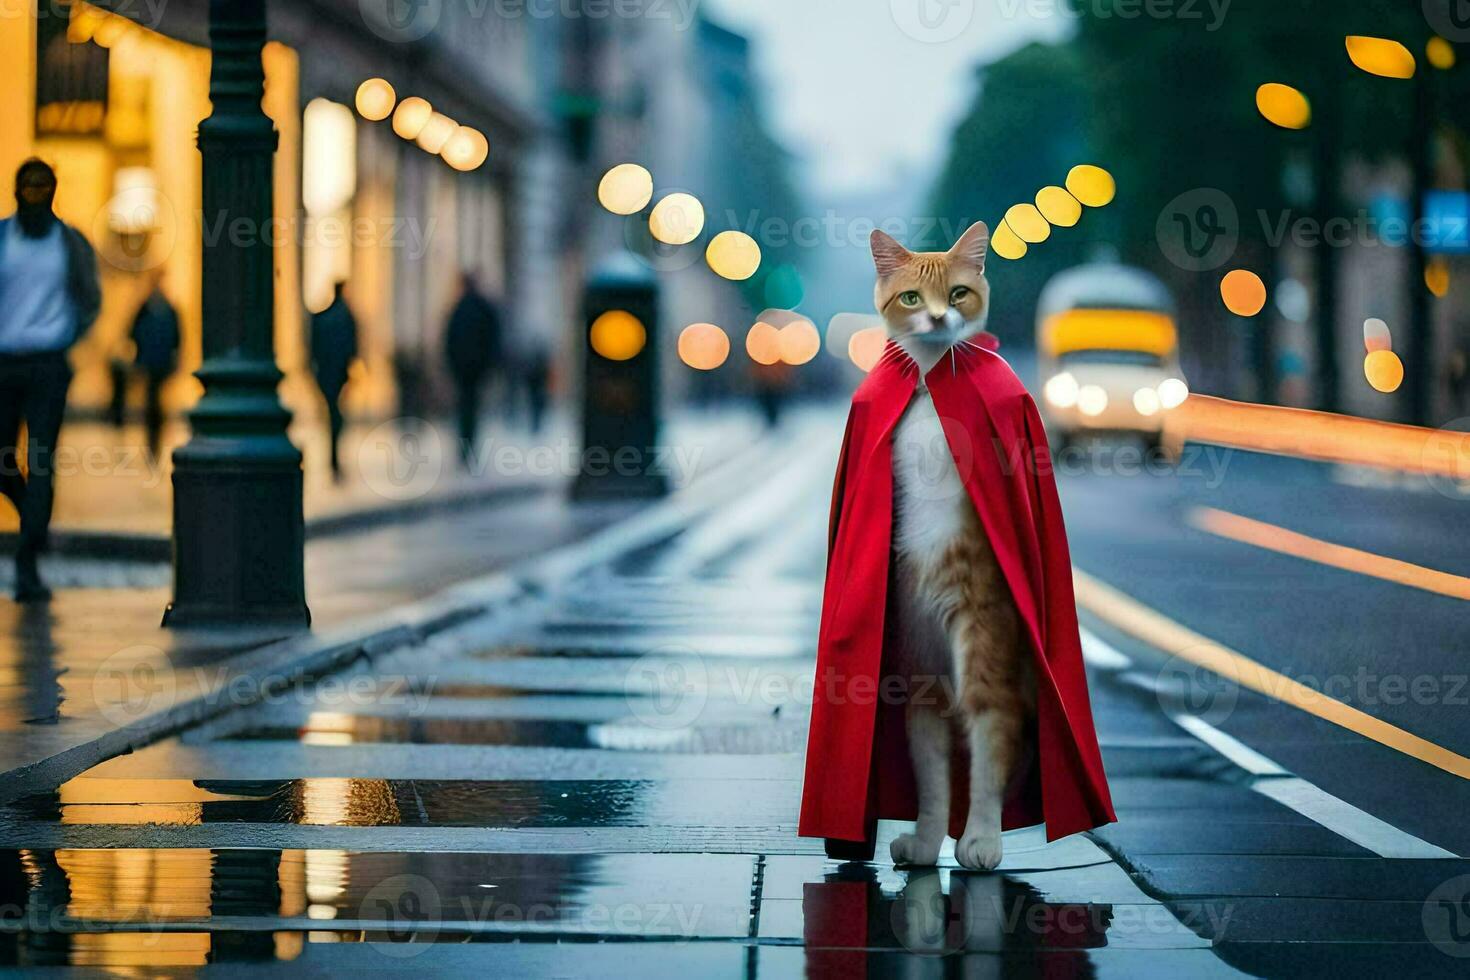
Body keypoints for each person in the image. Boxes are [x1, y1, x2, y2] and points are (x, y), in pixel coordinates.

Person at [0, 159, 101, 602]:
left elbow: (90, 298)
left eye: (44, 186)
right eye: (29, 186)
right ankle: (34, 525)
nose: (36, 194)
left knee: (41, 461)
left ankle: (27, 562)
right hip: (4, 363)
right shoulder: (3, 237)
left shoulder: (69, 242)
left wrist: (69, 333)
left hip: (48, 365)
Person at [443, 272, 502, 468]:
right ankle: (468, 446)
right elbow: (494, 339)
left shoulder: (459, 309)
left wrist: (451, 365)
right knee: (471, 407)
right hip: (476, 368)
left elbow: (449, 340)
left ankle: (465, 446)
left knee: (464, 407)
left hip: (463, 368)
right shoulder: (483, 308)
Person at [128, 273, 180, 461]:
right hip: (151, 362)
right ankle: (152, 442)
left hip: (161, 362)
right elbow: (132, 332)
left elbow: (177, 337)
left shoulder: (167, 309)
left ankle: (155, 441)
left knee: (157, 402)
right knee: (152, 402)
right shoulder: (147, 308)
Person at [310, 281, 359, 480]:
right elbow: (351, 348)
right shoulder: (345, 317)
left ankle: (333, 459)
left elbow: (314, 348)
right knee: (336, 416)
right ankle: (334, 459)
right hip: (337, 373)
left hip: (325, 373)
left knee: (332, 414)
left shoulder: (322, 317)